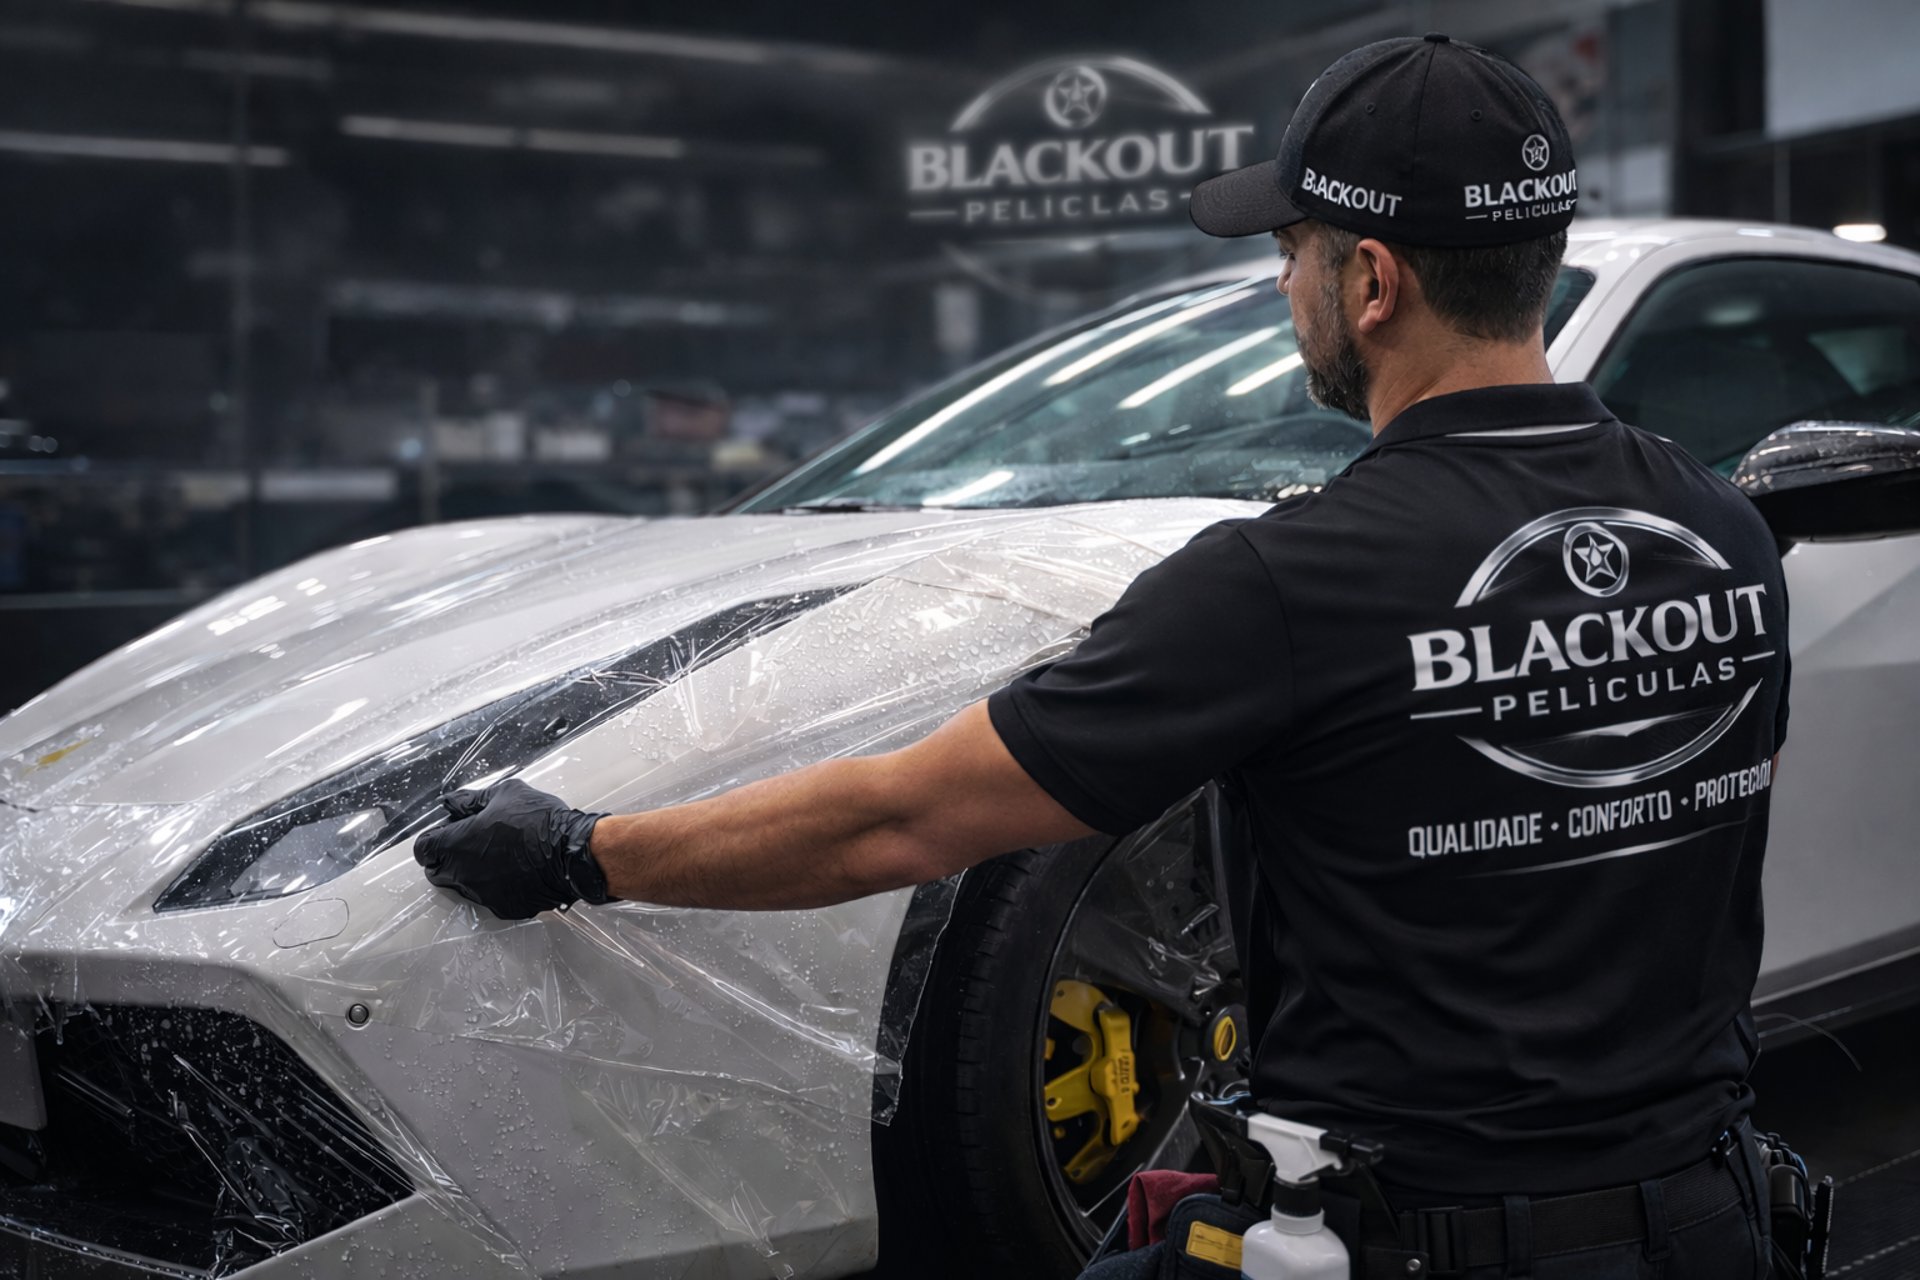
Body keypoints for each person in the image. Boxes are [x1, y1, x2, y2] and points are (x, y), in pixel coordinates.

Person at [414, 35, 1790, 1279]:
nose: (1279, 279)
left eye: (1293, 249)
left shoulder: (1292, 582)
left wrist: (583, 852)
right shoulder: (1720, 528)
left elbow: (899, 821)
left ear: (1370, 280)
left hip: (1415, 1250)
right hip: (1714, 1224)